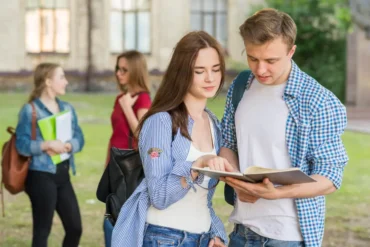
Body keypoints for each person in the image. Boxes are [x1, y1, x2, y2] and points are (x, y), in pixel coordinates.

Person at [218, 8, 349, 247]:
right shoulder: (240, 86)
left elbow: (330, 177)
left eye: (271, 60)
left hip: (287, 236)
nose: (260, 70)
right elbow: (227, 143)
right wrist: (237, 182)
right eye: (252, 58)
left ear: (291, 51)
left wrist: (277, 193)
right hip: (241, 231)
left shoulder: (318, 101)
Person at [111, 31, 230, 247]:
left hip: (202, 239)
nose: (210, 78)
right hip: (164, 238)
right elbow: (158, 195)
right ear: (182, 73)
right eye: (199, 71)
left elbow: (204, 199)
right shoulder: (161, 122)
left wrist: (216, 233)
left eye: (216, 69)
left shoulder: (214, 123)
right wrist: (196, 166)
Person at [15, 63, 85, 247]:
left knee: (75, 228)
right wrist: (46, 145)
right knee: (42, 232)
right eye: (61, 77)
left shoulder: (67, 109)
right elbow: (21, 145)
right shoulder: (30, 110)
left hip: (63, 174)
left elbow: (79, 137)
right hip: (39, 175)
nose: (66, 81)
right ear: (47, 81)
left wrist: (69, 145)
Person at [103, 50, 152, 246]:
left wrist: (126, 106)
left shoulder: (142, 99)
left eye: (124, 69)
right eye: (117, 68)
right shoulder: (121, 97)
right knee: (110, 213)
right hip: (113, 165)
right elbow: (115, 134)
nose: (118, 73)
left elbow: (142, 134)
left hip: (129, 169)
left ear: (135, 71)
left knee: (118, 218)